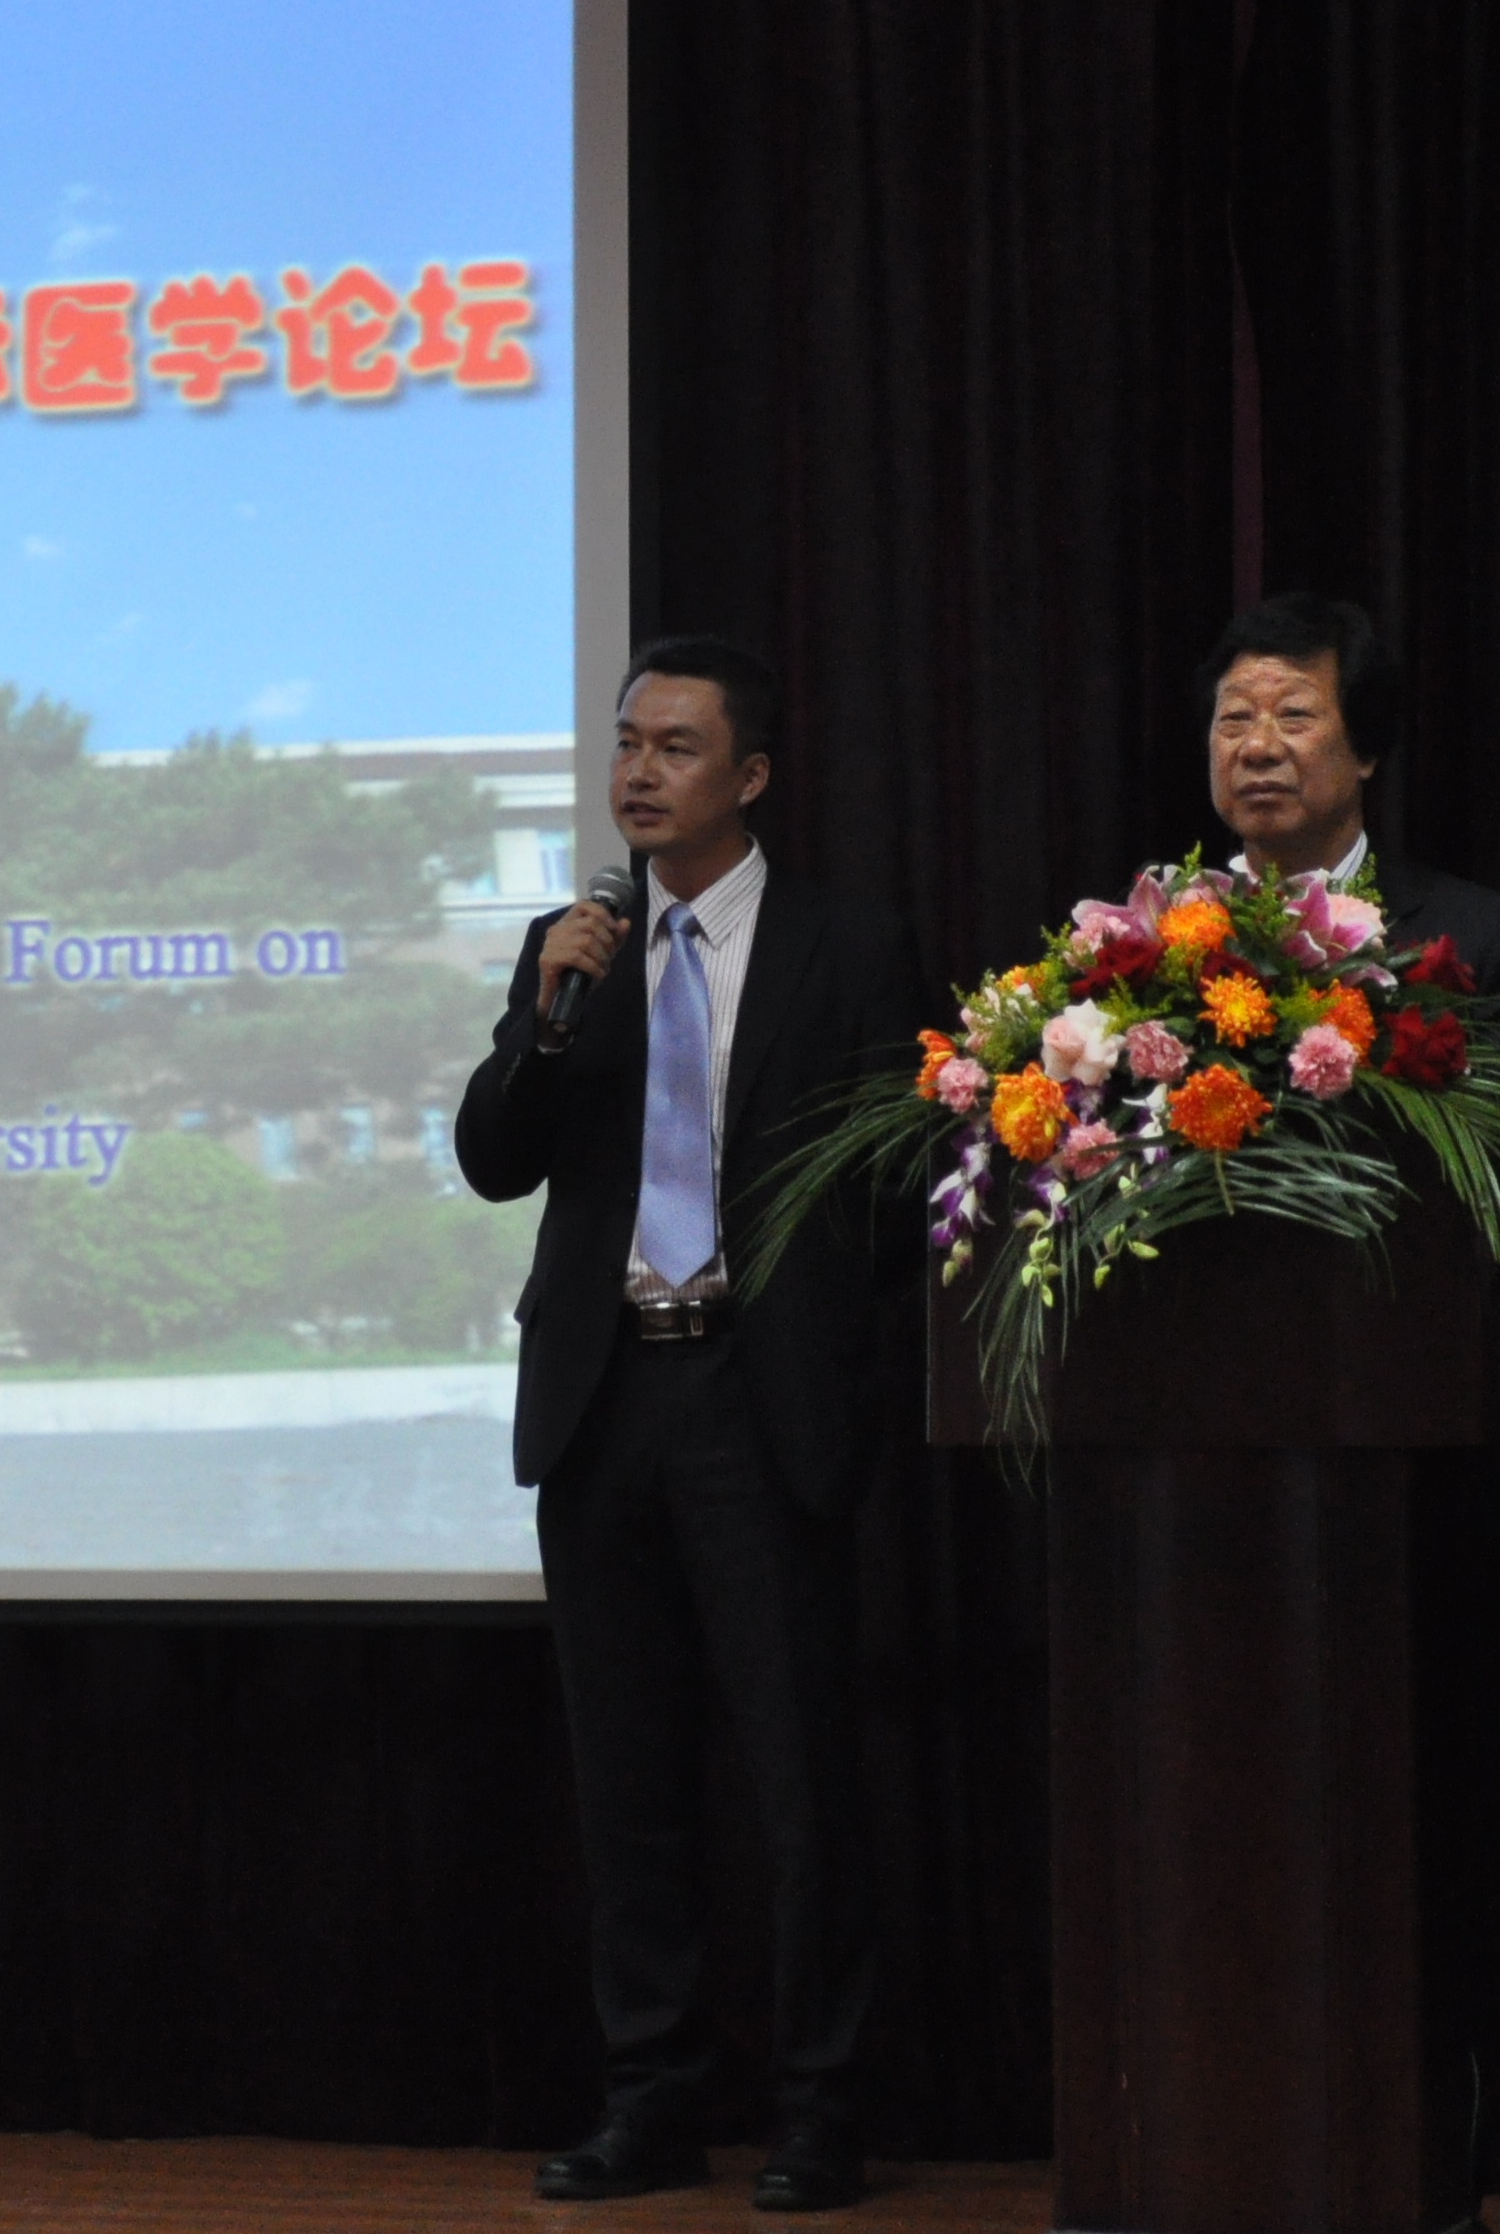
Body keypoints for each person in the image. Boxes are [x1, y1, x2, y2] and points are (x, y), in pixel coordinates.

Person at [456, 636, 917, 2213]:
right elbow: (493, 1159)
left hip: (760, 1396)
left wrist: (834, 1351)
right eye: (625, 744)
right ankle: (652, 2101)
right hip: (604, 1399)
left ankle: (822, 2109)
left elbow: (897, 1177)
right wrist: (543, 1021)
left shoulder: (847, 945)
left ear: (751, 776)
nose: (637, 773)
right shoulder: (571, 950)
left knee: (800, 1784)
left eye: (674, 747)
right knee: (630, 1786)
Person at [1196, 592, 1500, 1034]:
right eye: (1235, 718)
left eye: (1294, 715)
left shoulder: (1483, 943)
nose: (1258, 747)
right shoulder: (1154, 935)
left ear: (1365, 749)